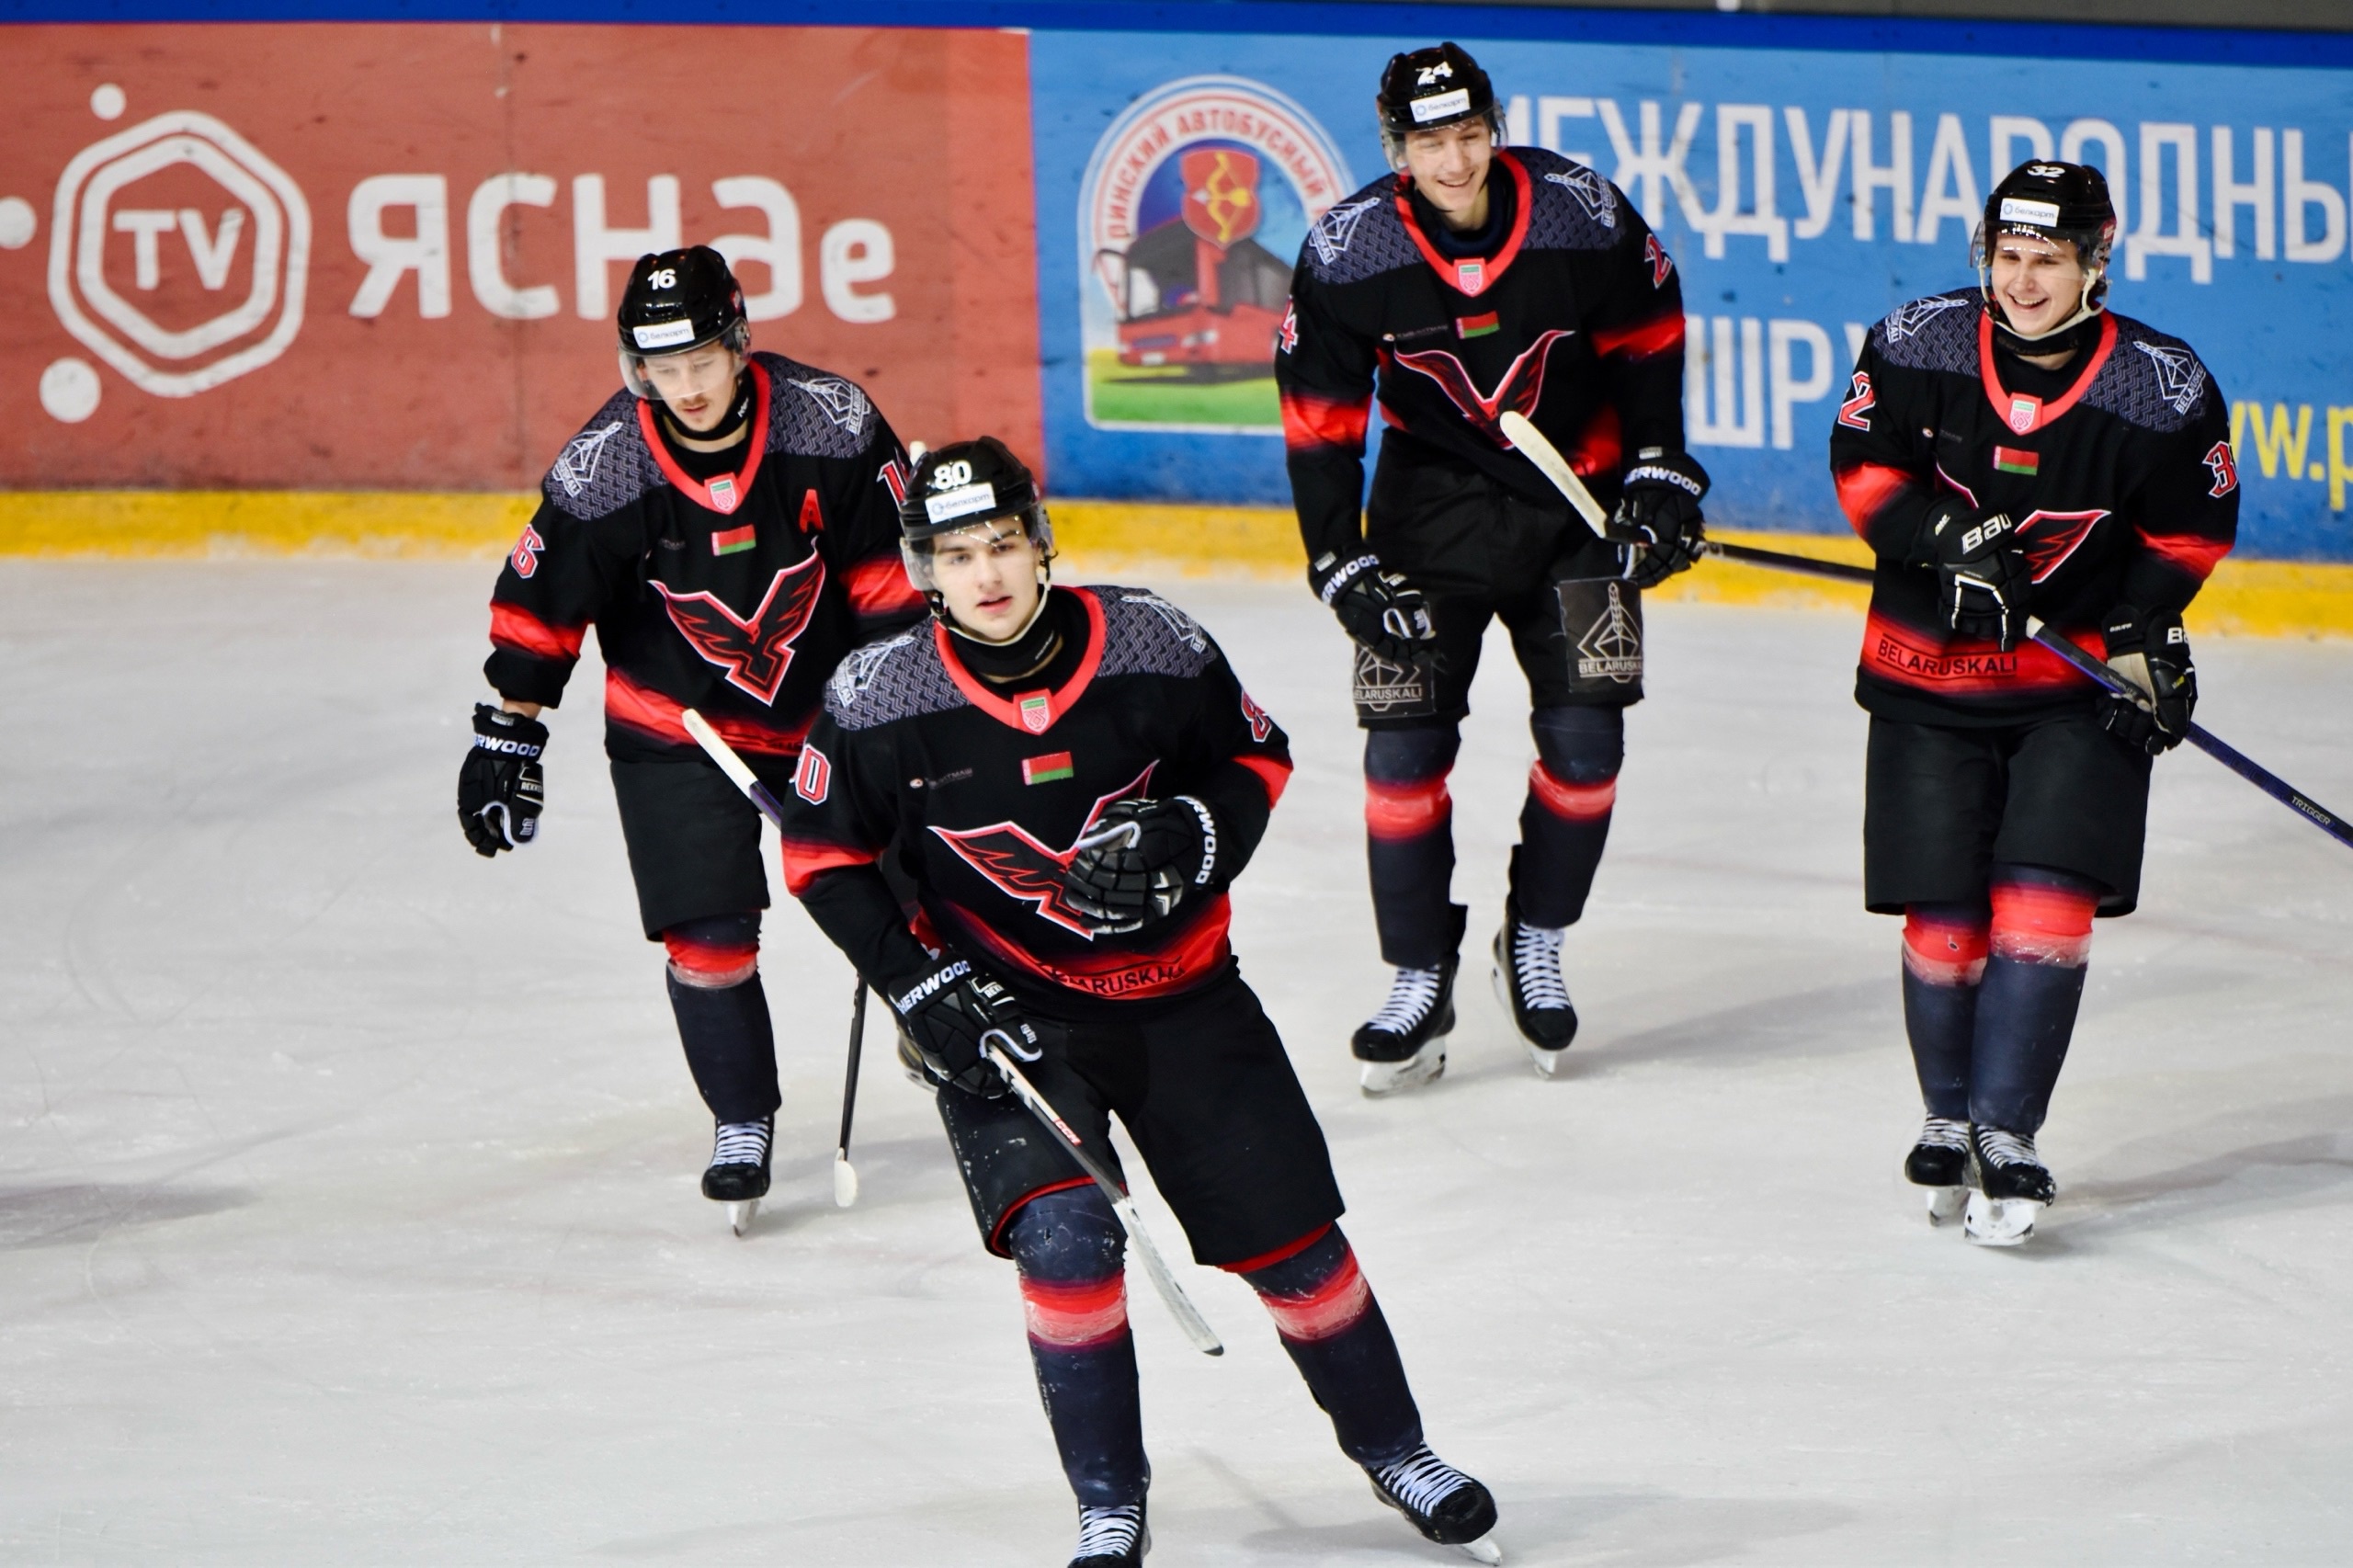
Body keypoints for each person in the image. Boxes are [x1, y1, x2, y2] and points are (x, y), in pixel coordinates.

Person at [779, 437, 1501, 1566]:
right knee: (1065, 1242)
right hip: (1009, 1023)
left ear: (1040, 541)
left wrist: (1195, 833)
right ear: (924, 570)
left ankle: (1396, 1450)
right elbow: (822, 859)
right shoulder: (879, 695)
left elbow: (1254, 759)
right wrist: (917, 984)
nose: (986, 574)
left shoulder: (1151, 641)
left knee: (1296, 1248)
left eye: (1002, 544)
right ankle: (1109, 1501)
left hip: (1185, 1001)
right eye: (956, 555)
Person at [456, 245, 920, 1229]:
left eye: (702, 361)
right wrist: (508, 734)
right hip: (678, 726)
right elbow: (542, 605)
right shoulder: (605, 466)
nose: (688, 387)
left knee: (922, 888)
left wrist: (897, 718)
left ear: (739, 345)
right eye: (662, 369)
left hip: (832, 716)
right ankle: (741, 1117)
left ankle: (936, 1020)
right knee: (706, 934)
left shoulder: (831, 425)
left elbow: (891, 586)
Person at [1274, 41, 1705, 1094]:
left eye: (1470, 134)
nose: (1456, 160)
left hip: (1578, 510)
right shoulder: (1348, 250)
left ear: (1494, 127)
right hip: (1424, 523)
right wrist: (1336, 556)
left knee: (1587, 748)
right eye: (1430, 142)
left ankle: (1536, 937)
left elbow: (1649, 337)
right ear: (1396, 149)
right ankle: (1419, 971)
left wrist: (1659, 469)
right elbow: (1319, 418)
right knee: (1401, 756)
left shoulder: (1578, 213)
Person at [1828, 161, 2237, 1244]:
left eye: (2046, 260)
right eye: (2007, 256)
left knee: (2044, 901)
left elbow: (2187, 533)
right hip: (1926, 673)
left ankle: (2005, 1130)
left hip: (2074, 683)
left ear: (2096, 261)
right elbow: (1863, 468)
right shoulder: (1916, 342)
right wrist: (1941, 536)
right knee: (1943, 912)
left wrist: (2147, 628)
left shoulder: (2158, 386)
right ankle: (1945, 1114)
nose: (2021, 281)